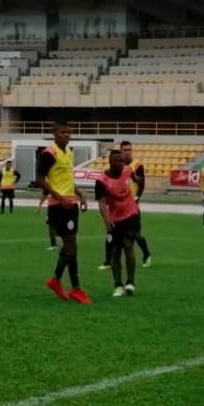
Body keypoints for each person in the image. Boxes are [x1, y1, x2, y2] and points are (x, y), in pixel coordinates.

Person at [36, 122, 91, 304]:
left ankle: (55, 280)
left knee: (69, 244)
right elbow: (40, 179)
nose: (66, 135)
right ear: (54, 133)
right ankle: (76, 289)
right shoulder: (49, 153)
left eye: (69, 132)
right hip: (59, 205)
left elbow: (67, 180)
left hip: (70, 203)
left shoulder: (68, 152)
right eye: (62, 132)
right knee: (71, 244)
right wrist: (59, 197)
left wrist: (80, 194)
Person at [95, 149, 140, 297]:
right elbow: (101, 202)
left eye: (122, 161)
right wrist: (106, 221)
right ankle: (118, 285)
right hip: (114, 218)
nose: (121, 164)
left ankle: (130, 282)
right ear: (110, 162)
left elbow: (136, 178)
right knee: (115, 251)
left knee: (128, 246)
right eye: (118, 161)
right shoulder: (102, 181)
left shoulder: (128, 170)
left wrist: (138, 183)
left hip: (131, 214)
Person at [100, 141, 152, 269]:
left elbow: (141, 184)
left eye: (130, 150)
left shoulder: (137, 165)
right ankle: (107, 261)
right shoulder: (115, 168)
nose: (128, 152)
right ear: (120, 151)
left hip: (131, 207)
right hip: (116, 208)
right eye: (125, 150)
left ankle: (146, 255)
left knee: (136, 234)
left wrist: (136, 198)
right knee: (111, 232)